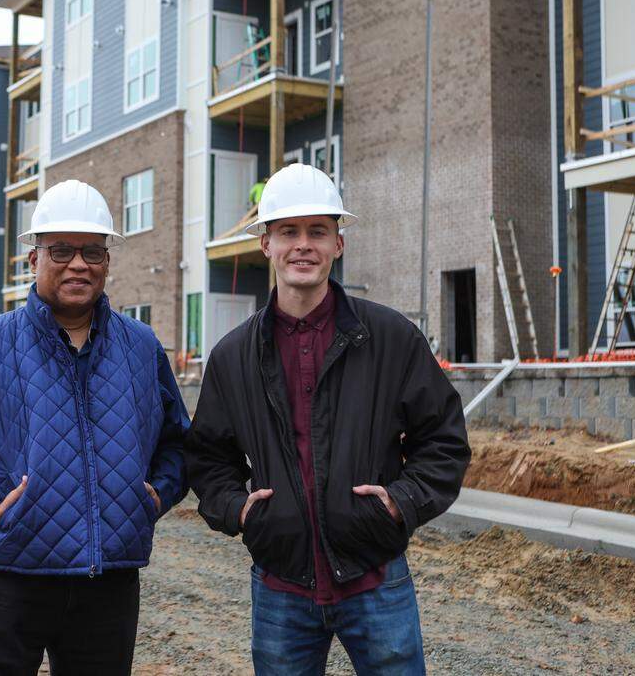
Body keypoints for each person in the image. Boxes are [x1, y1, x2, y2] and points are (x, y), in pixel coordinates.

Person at [185, 164, 470, 675]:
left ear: (338, 244)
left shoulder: (391, 338)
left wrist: (400, 501)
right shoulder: (232, 357)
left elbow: (444, 440)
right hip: (281, 588)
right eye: (288, 232)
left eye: (317, 231)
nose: (303, 245)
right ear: (265, 245)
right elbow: (208, 459)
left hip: (375, 579)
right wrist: (240, 511)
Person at [0, 179, 189, 676]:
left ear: (107, 261)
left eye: (92, 252)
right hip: (7, 575)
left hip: (108, 583)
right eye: (60, 250)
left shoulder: (142, 347)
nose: (78, 264)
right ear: (33, 259)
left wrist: (156, 497)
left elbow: (180, 445)